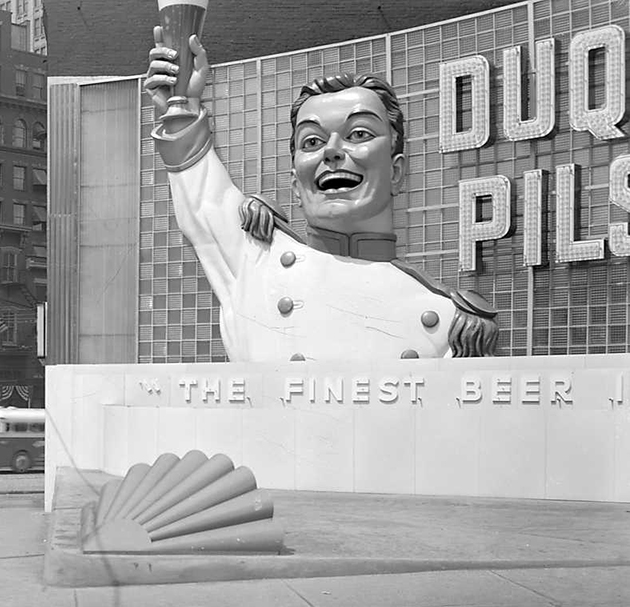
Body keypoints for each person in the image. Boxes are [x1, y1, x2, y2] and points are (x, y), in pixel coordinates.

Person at [144, 30, 497, 361]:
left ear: (397, 171)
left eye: (358, 134)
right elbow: (205, 199)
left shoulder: (451, 321)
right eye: (312, 141)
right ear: (296, 184)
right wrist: (181, 106)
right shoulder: (257, 264)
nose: (332, 151)